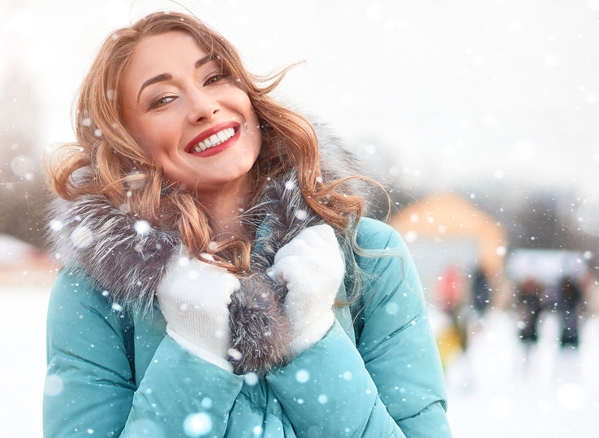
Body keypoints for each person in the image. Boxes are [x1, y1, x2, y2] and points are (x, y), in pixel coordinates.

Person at [42, 11, 450, 437]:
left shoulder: (372, 257)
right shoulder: (92, 294)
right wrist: (195, 352)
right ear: (128, 143)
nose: (203, 107)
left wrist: (312, 337)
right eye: (163, 99)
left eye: (215, 77)